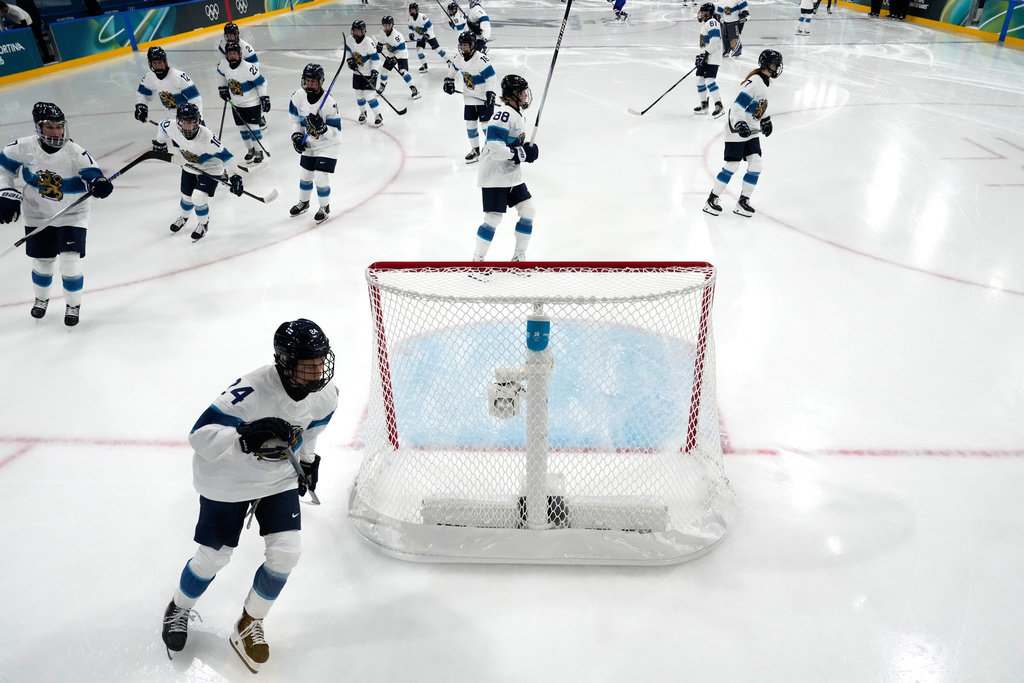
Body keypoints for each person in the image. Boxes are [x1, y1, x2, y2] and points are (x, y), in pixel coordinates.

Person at [160, 318, 338, 673]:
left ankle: (249, 623)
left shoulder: (326, 395)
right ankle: (178, 607)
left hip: (277, 478)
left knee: (287, 553)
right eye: (308, 365)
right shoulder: (251, 391)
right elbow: (200, 437)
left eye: (321, 362)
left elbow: (312, 429)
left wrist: (308, 461)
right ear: (284, 363)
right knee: (213, 557)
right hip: (228, 480)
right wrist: (244, 436)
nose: (318, 372)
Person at [0, 102, 112, 326]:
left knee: (70, 261)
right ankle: (41, 299)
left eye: (59, 126)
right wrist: (5, 192)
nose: (56, 132)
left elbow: (92, 173)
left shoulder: (75, 151)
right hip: (37, 212)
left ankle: (73, 304)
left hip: (72, 212)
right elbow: (3, 169)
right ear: (38, 128)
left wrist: (98, 183)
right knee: (42, 261)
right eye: (49, 127)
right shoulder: (23, 147)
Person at [703, 49, 782, 219]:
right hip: (737, 130)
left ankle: (743, 201)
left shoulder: (765, 82)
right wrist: (739, 123)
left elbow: (759, 106)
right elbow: (737, 106)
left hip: (751, 129)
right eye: (775, 64)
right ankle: (711, 199)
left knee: (756, 165)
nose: (777, 68)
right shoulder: (754, 83)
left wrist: (765, 119)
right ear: (767, 65)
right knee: (732, 165)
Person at [153, 102, 244, 241]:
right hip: (189, 165)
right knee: (186, 197)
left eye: (190, 122)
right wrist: (160, 142)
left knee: (198, 197)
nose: (186, 126)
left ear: (197, 122)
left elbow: (227, 157)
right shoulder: (172, 127)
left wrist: (235, 176)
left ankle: (203, 224)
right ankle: (183, 218)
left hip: (211, 168)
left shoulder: (207, 138)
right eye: (183, 122)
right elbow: (162, 126)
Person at [473, 74, 538, 262]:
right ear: (514, 94)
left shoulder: (515, 114)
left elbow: (512, 148)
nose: (526, 95)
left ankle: (518, 257)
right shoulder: (504, 115)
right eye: (523, 92)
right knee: (493, 218)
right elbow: (495, 149)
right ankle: (477, 261)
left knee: (528, 210)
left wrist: (526, 151)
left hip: (510, 173)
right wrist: (522, 154)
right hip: (494, 173)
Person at [288, 63, 342, 224]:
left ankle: (325, 207)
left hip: (329, 145)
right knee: (305, 175)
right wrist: (297, 136)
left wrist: (322, 128)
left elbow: (335, 134)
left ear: (320, 82)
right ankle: (304, 203)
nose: (310, 84)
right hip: (311, 142)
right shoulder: (298, 96)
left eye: (313, 81)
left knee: (320, 176)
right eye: (307, 80)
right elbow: (295, 119)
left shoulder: (329, 104)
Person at [444, 30, 497, 163]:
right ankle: (475, 150)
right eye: (462, 45)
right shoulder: (459, 58)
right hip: (469, 98)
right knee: (470, 125)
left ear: (473, 45)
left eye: (466, 45)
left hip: (483, 98)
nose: (464, 47)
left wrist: (490, 92)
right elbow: (452, 70)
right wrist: (448, 81)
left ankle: (491, 150)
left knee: (486, 126)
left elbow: (491, 77)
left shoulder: (481, 59)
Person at [135, 46, 204, 145]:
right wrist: (141, 106)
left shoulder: (178, 77)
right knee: (183, 151)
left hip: (189, 121)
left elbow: (195, 98)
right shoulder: (150, 77)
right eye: (155, 63)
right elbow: (143, 94)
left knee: (200, 148)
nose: (158, 66)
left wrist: (198, 119)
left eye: (160, 63)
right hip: (172, 121)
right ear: (150, 64)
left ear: (165, 62)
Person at [216, 41, 269, 167]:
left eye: (235, 54)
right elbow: (221, 74)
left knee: (253, 128)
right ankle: (250, 150)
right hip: (236, 103)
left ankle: (259, 151)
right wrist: (222, 88)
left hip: (252, 103)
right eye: (230, 54)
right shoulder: (223, 65)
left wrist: (264, 97)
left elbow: (262, 82)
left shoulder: (248, 68)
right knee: (242, 129)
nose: (232, 56)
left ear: (240, 54)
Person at [216, 22, 266, 130]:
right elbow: (223, 62)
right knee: (236, 95)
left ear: (237, 34)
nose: (229, 37)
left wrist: (243, 74)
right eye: (227, 35)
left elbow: (255, 64)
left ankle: (260, 116)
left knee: (254, 94)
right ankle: (243, 116)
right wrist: (224, 84)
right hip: (233, 73)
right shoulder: (222, 44)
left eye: (231, 35)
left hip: (247, 74)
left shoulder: (246, 47)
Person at [347, 20, 384, 128]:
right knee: (359, 95)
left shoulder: (368, 42)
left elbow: (376, 60)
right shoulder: (350, 40)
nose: (356, 33)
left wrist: (374, 73)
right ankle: (363, 112)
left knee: (368, 95)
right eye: (355, 30)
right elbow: (348, 52)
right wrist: (350, 61)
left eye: (359, 31)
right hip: (358, 73)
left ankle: (378, 115)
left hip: (369, 72)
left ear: (363, 31)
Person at [376, 14, 420, 99]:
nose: (386, 27)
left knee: (403, 71)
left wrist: (395, 59)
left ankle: (414, 89)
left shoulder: (397, 36)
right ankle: (382, 85)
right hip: (392, 53)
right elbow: (383, 38)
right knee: (384, 70)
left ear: (392, 25)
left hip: (402, 54)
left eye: (388, 25)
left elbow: (402, 50)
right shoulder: (382, 31)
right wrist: (380, 44)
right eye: (384, 25)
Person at [694, 3, 724, 118]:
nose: (700, 14)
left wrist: (706, 53)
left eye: (702, 12)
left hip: (712, 57)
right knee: (699, 80)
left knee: (709, 81)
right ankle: (704, 105)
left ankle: (718, 104)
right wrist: (702, 55)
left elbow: (715, 39)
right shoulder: (707, 24)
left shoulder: (712, 23)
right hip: (706, 57)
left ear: (707, 13)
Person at [408, 2, 450, 73]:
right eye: (410, 9)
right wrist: (411, 34)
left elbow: (430, 27)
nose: (411, 11)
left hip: (429, 35)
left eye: (413, 9)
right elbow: (410, 28)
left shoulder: (422, 17)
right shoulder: (410, 19)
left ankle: (449, 62)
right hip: (420, 37)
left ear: (417, 9)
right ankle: (425, 66)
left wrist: (427, 35)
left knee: (438, 50)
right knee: (419, 51)